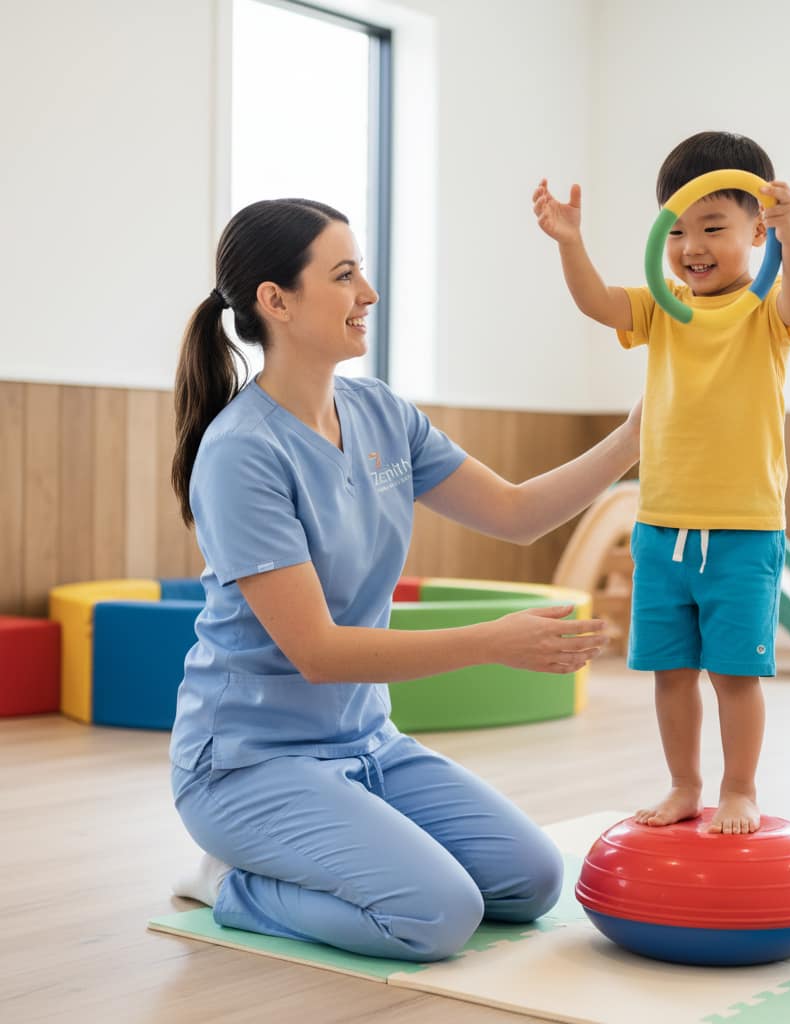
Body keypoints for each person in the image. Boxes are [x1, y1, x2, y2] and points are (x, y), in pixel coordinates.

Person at [168, 197, 641, 962]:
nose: (370, 294)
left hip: (368, 745)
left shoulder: (381, 412)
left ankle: (323, 849)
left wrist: (631, 437)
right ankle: (230, 883)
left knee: (530, 881)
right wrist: (494, 641)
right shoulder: (242, 453)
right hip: (247, 764)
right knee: (436, 917)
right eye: (346, 275)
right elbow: (318, 653)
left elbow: (517, 513)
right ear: (275, 301)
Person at [533, 131, 790, 835]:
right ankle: (685, 784)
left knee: (735, 675)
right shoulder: (663, 307)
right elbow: (598, 302)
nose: (692, 246)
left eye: (713, 227)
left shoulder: (765, 309)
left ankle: (740, 788)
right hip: (662, 525)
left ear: (759, 228)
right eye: (678, 230)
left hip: (745, 529)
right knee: (669, 672)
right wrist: (570, 241)